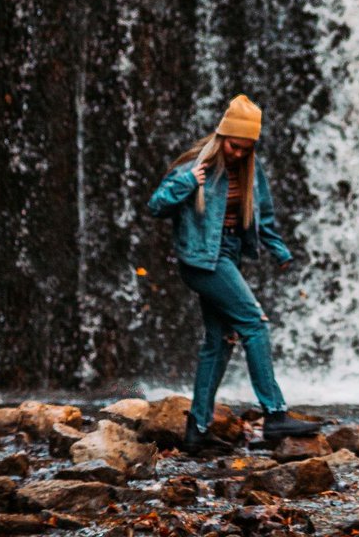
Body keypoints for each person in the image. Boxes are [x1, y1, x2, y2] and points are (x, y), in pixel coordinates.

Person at [148, 93, 321, 454]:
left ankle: (197, 428)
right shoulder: (194, 168)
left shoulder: (251, 171)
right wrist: (187, 185)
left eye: (246, 148)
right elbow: (155, 206)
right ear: (222, 137)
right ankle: (275, 414)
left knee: (218, 342)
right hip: (202, 262)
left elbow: (265, 215)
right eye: (234, 146)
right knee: (254, 324)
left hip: (227, 255)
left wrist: (280, 251)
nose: (238, 154)